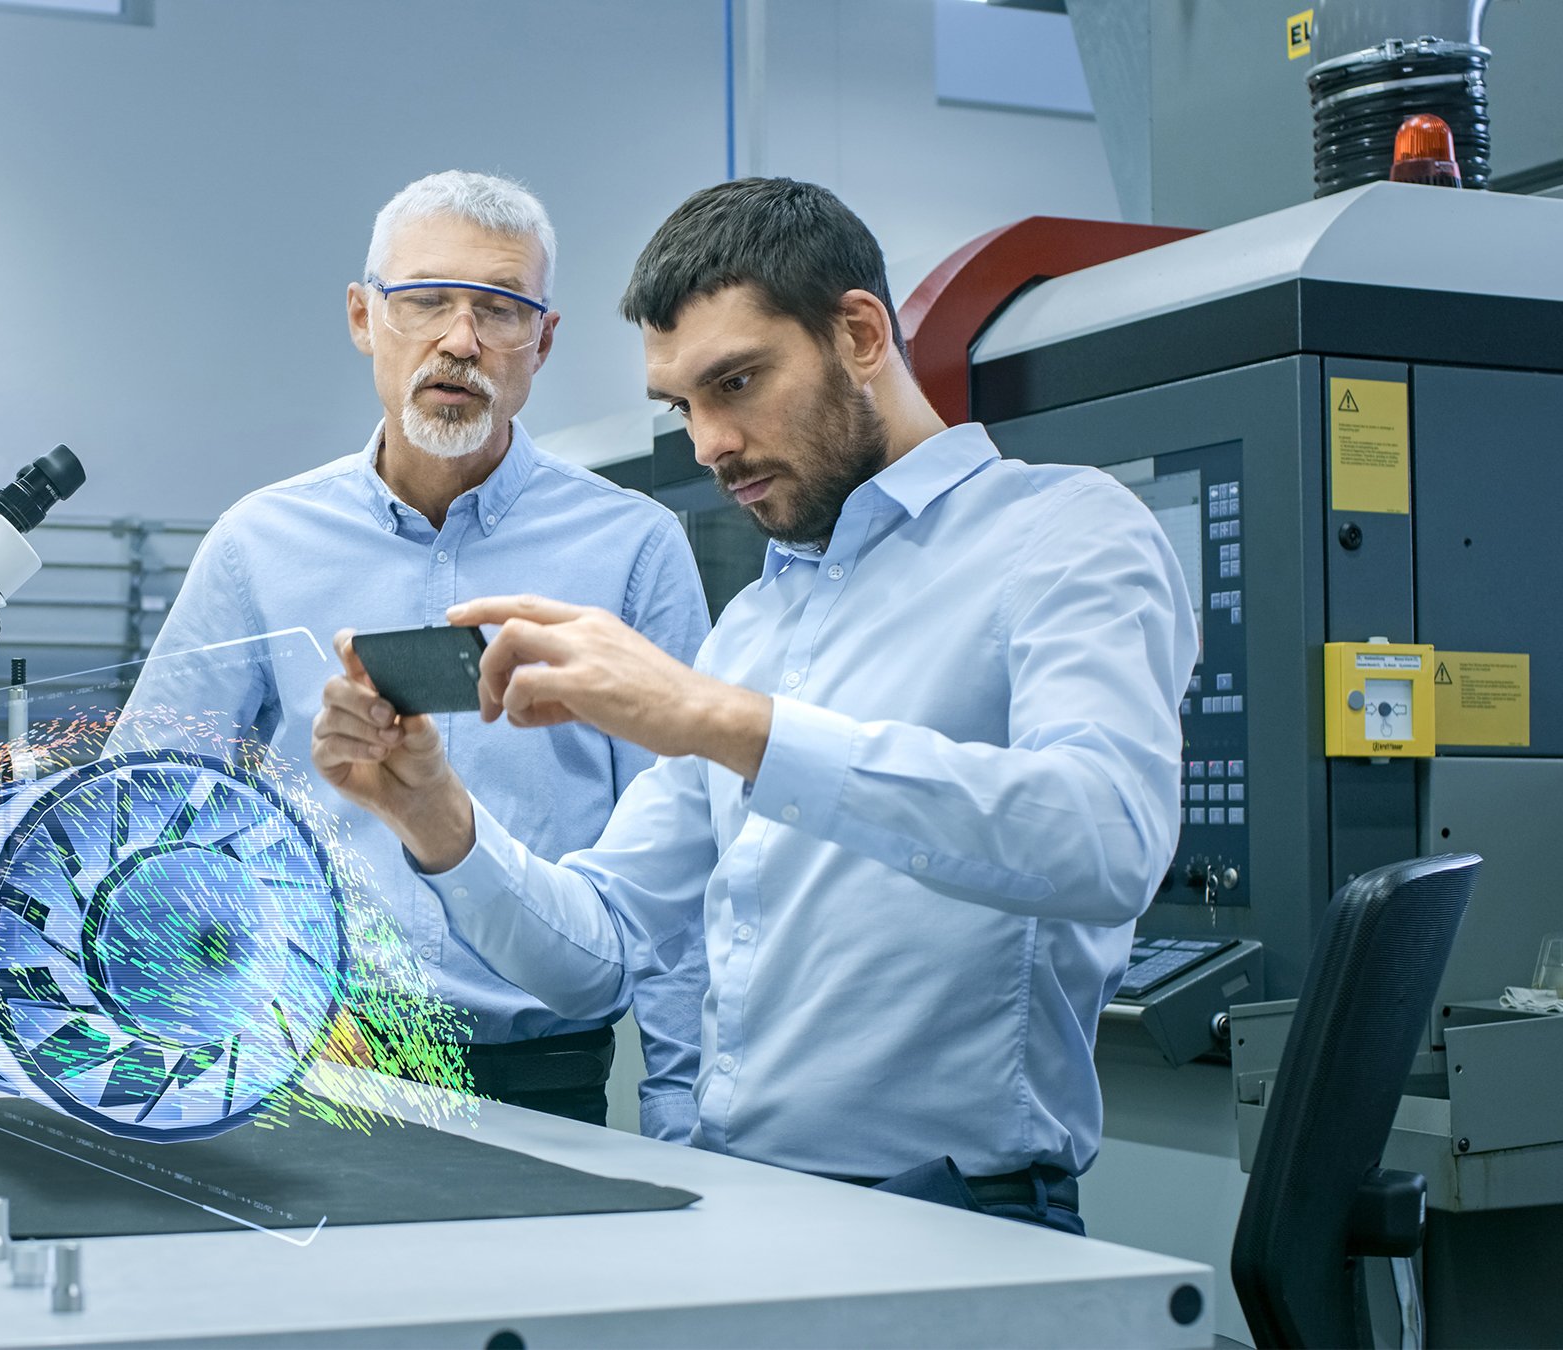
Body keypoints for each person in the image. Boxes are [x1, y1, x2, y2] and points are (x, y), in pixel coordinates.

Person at [310, 177, 1198, 1233]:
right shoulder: (756, 629)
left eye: (736, 383)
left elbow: (1106, 840)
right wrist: (435, 818)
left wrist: (722, 721)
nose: (708, 443)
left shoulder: (1064, 534)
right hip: (741, 1207)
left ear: (859, 333)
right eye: (684, 404)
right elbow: (596, 953)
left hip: (950, 1219)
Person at [118, 171, 712, 1134]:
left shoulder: (633, 549)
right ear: (364, 317)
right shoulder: (260, 543)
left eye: (500, 309)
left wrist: (686, 1117)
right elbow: (143, 801)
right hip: (311, 1067)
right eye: (426, 301)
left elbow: (687, 863)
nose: (460, 340)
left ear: (543, 342)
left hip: (543, 1076)